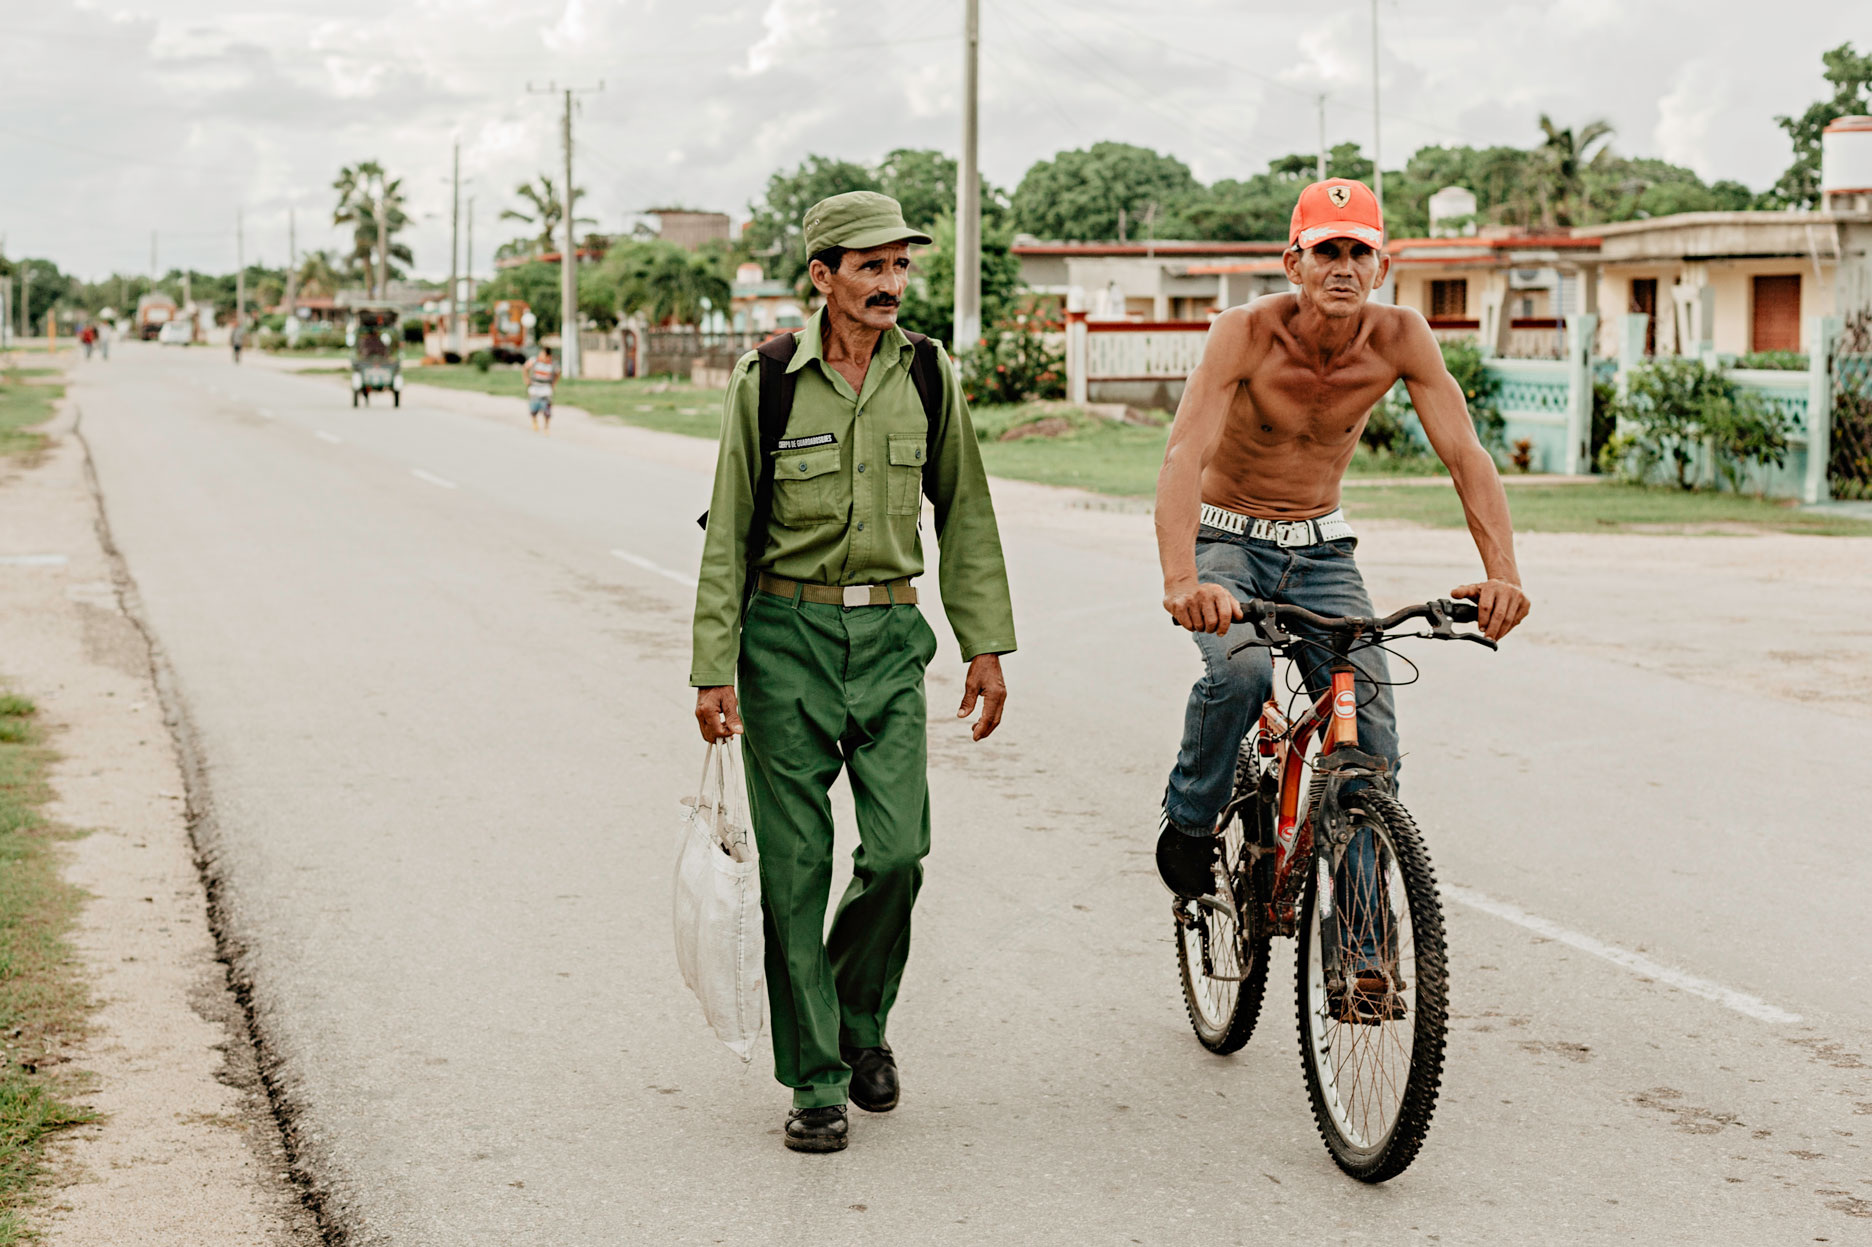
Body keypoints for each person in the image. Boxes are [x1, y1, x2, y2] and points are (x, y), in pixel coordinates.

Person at [690, 191, 1016, 1154]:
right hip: (783, 641)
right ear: (823, 277)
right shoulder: (771, 380)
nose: (890, 284)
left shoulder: (929, 373)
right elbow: (728, 527)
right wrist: (713, 664)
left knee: (899, 850)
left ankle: (857, 1019)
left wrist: (984, 641)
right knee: (796, 870)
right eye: (870, 267)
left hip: (889, 640)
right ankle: (819, 1077)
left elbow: (965, 509)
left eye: (901, 265)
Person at [1153, 179, 1532, 985]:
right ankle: (1189, 817)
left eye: (1360, 251)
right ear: (1295, 261)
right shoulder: (1243, 334)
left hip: (1324, 551)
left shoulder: (1401, 338)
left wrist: (1504, 573)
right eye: (1328, 249)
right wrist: (1183, 576)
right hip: (1227, 536)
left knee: (1367, 747)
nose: (1344, 266)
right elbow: (1185, 453)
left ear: (1383, 265)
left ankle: (1361, 960)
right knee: (1243, 670)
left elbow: (1466, 453)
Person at [524, 346, 559, 432]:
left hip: (546, 389)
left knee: (547, 408)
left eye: (542, 354)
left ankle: (546, 426)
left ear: (547, 355)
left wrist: (553, 384)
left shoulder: (552, 364)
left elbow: (558, 373)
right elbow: (525, 368)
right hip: (535, 388)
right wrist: (526, 379)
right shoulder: (535, 361)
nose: (540, 355)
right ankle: (534, 422)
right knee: (533, 407)